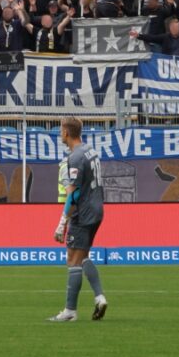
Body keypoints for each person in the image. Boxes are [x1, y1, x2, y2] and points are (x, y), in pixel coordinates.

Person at [49, 116, 107, 323]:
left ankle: (70, 311)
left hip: (83, 214)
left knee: (72, 259)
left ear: (66, 132)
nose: (60, 134)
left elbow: (73, 195)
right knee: (83, 256)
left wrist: (62, 223)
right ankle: (99, 297)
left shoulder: (75, 158)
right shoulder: (90, 151)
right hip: (97, 210)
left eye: (61, 131)